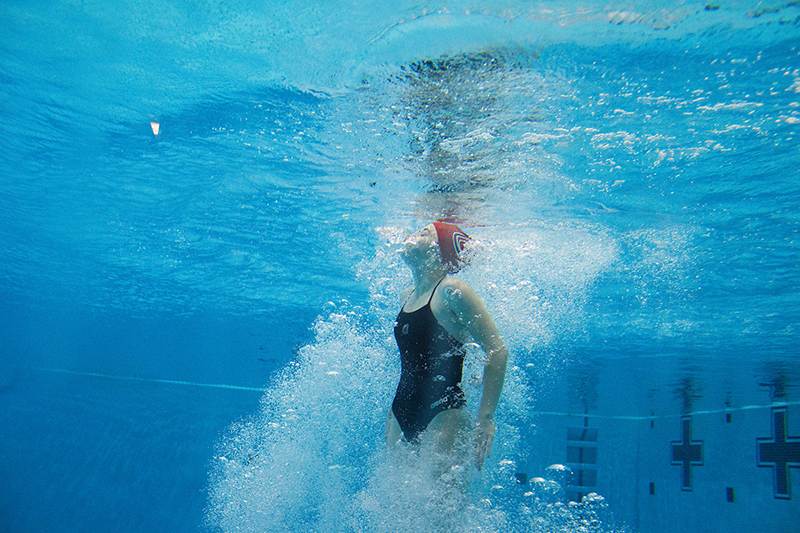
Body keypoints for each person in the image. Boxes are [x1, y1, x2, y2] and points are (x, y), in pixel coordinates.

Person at [385, 222, 508, 470]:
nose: (412, 236)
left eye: (424, 233)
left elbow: (497, 351)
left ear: (438, 250)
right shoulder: (407, 295)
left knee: (444, 509)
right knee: (397, 508)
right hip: (400, 412)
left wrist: (485, 418)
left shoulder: (452, 290)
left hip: (443, 413)